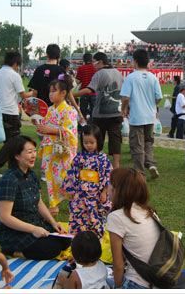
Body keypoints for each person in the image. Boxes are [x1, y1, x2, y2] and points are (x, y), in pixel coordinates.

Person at [0, 135, 70, 260]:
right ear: (17, 156)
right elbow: (5, 217)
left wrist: (53, 222)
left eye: (34, 151)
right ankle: (11, 251)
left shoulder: (31, 175)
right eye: (29, 152)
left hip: (34, 222)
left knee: (65, 241)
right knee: (52, 249)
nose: (34, 155)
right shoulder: (9, 180)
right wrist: (33, 229)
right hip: (15, 231)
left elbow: (39, 202)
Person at [106, 168, 160, 289]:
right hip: (158, 281)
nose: (107, 188)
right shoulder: (149, 211)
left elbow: (118, 265)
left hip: (136, 284)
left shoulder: (116, 217)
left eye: (109, 183)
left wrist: (118, 287)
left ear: (117, 190)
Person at [73, 52, 123, 169]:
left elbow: (89, 90)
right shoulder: (118, 73)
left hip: (101, 113)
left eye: (94, 61)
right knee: (115, 138)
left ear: (100, 62)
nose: (93, 64)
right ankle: (116, 165)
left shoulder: (99, 73)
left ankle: (94, 161)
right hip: (117, 111)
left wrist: (72, 94)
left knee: (97, 137)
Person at [0, 52, 33, 178]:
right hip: (11, 112)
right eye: (19, 64)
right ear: (15, 63)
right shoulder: (14, 75)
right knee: (13, 142)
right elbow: (23, 95)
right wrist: (33, 93)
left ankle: (12, 167)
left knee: (10, 142)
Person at [37, 79, 78, 215]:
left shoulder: (69, 110)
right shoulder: (49, 110)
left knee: (64, 177)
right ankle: (53, 205)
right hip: (50, 148)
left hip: (63, 151)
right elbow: (43, 126)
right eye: (50, 91)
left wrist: (49, 129)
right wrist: (40, 127)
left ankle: (74, 200)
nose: (50, 94)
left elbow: (70, 132)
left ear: (63, 93)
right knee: (50, 177)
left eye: (54, 91)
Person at [63, 124, 112, 238]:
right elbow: (73, 173)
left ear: (98, 141)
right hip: (80, 194)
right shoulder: (79, 157)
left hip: (96, 194)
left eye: (91, 142)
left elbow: (108, 176)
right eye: (85, 142)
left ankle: (94, 237)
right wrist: (71, 190)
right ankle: (78, 237)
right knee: (78, 215)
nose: (88, 145)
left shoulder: (103, 158)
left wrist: (104, 192)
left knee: (95, 217)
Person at [120, 49, 162, 178]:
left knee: (137, 145)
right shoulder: (153, 77)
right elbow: (159, 97)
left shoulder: (131, 77)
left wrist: (124, 109)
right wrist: (151, 104)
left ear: (135, 61)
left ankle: (139, 172)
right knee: (148, 142)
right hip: (150, 116)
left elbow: (125, 97)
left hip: (137, 116)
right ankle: (150, 163)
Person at [28, 44, 64, 110]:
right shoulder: (61, 71)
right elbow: (67, 92)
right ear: (59, 55)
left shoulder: (39, 69)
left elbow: (35, 92)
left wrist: (33, 111)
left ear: (47, 54)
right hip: (56, 109)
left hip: (41, 109)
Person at [76, 53, 97, 121]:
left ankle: (83, 128)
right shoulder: (95, 68)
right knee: (93, 112)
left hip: (83, 93)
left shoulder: (81, 68)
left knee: (83, 112)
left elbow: (78, 81)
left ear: (84, 59)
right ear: (91, 59)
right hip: (94, 93)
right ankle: (93, 128)